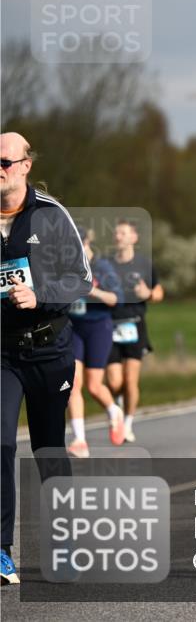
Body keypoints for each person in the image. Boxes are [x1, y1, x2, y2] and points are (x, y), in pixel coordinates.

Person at [1, 132, 92, 586]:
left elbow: (82, 279)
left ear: (24, 166)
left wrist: (40, 296)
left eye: (3, 161)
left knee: (48, 449)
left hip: (49, 347)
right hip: (2, 352)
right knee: (0, 442)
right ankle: (1, 551)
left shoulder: (51, 215)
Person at [66, 228, 126, 458]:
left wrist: (94, 291)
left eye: (78, 244)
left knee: (93, 386)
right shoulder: (67, 268)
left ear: (87, 242)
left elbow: (117, 299)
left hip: (99, 327)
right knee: (73, 383)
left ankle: (114, 411)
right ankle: (80, 440)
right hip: (74, 328)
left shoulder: (102, 267)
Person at [105, 220, 163, 443]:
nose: (118, 236)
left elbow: (159, 292)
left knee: (130, 381)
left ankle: (127, 425)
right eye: (116, 233)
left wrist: (147, 293)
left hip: (134, 325)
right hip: (109, 326)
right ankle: (118, 406)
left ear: (133, 238)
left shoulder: (143, 264)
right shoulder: (106, 264)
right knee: (114, 383)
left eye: (123, 233)